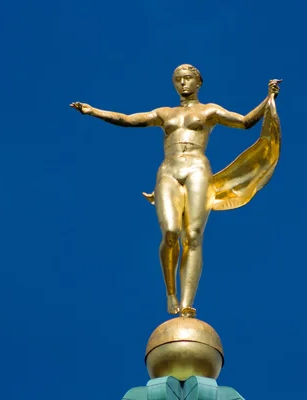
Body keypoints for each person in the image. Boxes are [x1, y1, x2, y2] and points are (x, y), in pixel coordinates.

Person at [70, 64, 281, 317]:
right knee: (171, 232)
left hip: (197, 168)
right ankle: (171, 294)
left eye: (187, 78)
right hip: (169, 171)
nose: (182, 83)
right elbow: (128, 120)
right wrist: (93, 111)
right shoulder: (164, 113)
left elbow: (245, 122)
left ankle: (186, 304)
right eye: (178, 79)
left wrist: (268, 98)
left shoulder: (209, 110)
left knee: (192, 234)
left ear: (198, 82)